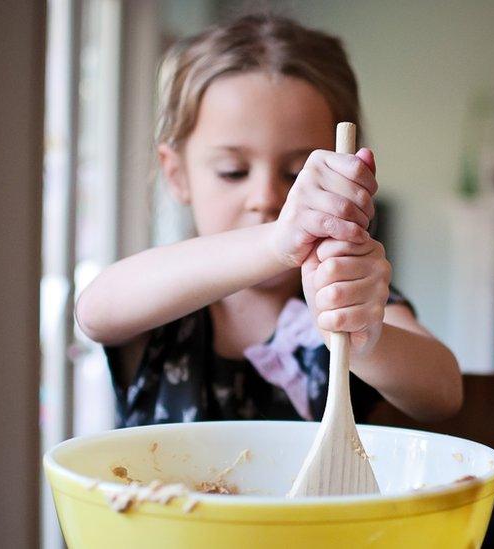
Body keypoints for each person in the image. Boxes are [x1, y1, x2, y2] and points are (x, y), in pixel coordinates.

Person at [76, 13, 461, 427]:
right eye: (232, 172)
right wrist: (276, 242)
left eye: (298, 175)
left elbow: (443, 395)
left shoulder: (347, 294)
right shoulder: (162, 299)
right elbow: (96, 311)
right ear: (177, 174)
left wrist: (366, 342)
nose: (265, 198)